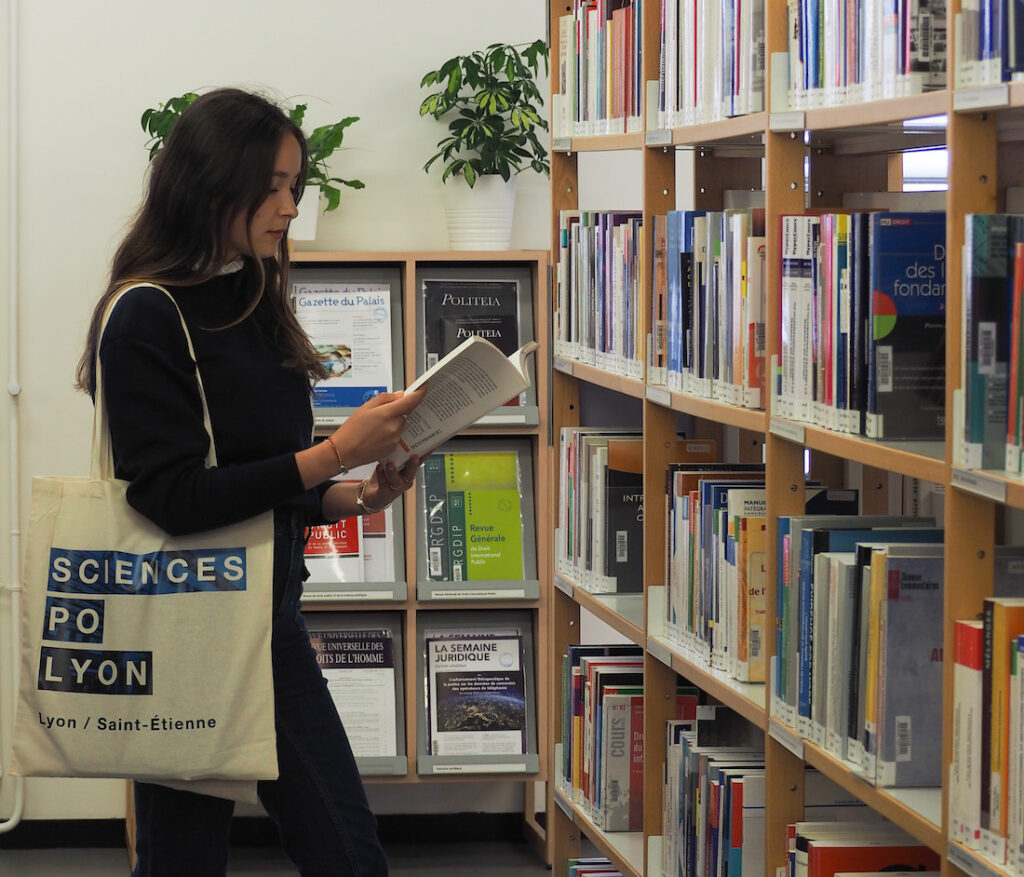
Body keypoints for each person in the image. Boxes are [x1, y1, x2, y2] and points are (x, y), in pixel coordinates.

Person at [75, 87, 422, 877]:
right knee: (183, 863)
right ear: (209, 181)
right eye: (271, 184)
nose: (290, 206)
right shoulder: (145, 315)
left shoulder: (252, 291)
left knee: (348, 851)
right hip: (187, 629)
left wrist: (357, 494)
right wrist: (333, 457)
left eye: (295, 185)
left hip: (271, 622)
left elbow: (266, 475)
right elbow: (170, 498)